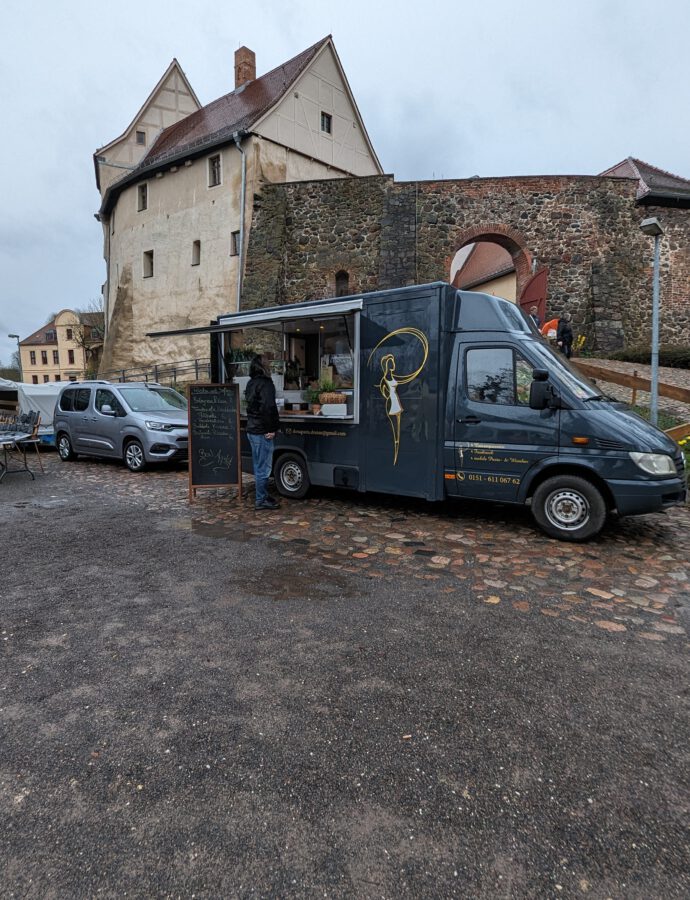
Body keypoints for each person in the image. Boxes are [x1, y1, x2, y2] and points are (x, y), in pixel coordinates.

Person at [245, 356, 280, 510]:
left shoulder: (251, 383)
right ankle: (260, 500)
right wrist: (271, 429)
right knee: (264, 468)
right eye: (268, 363)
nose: (270, 365)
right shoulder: (266, 384)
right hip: (262, 431)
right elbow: (268, 408)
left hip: (252, 429)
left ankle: (263, 495)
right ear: (263, 367)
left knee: (258, 465)